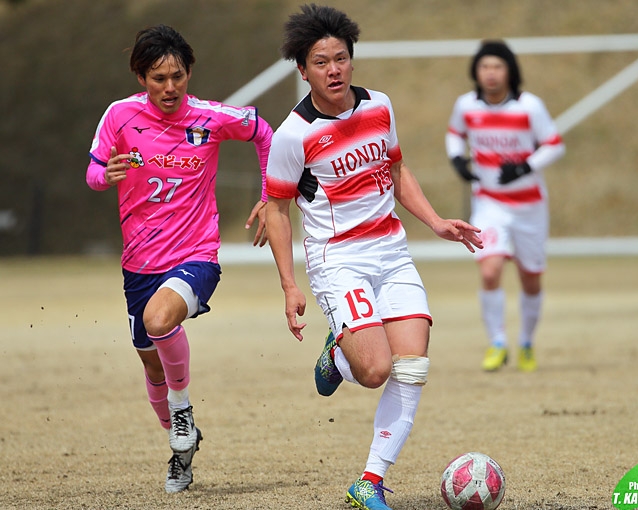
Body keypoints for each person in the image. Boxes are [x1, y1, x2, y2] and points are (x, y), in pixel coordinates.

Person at [265, 5, 483, 510]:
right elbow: (277, 210)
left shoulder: (380, 106)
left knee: (413, 366)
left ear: (353, 61)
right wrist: (289, 285)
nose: (333, 69)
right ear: (302, 70)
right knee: (374, 370)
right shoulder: (293, 135)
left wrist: (436, 222)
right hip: (337, 261)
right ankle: (339, 355)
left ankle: (370, 482)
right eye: (320, 62)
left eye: (341, 58)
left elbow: (398, 171)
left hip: (392, 252)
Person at [85, 24, 273, 493]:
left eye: (177, 77)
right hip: (139, 263)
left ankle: (183, 410)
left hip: (195, 254)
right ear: (140, 78)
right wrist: (103, 175)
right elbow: (92, 172)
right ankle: (181, 449)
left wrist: (270, 196)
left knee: (159, 319)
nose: (169, 88)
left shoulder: (210, 117)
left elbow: (264, 133)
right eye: (157, 78)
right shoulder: (119, 115)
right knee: (150, 363)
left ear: (189, 73)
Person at [445, 39, 565, 373]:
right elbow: (455, 134)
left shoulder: (529, 107)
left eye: (498, 66)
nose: (491, 73)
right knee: (490, 269)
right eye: (485, 67)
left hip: (529, 208)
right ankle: (497, 342)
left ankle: (526, 342)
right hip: (489, 203)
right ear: (476, 72)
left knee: (530, 279)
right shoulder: (467, 105)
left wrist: (526, 166)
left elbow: (555, 145)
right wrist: (457, 158)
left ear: (510, 71)